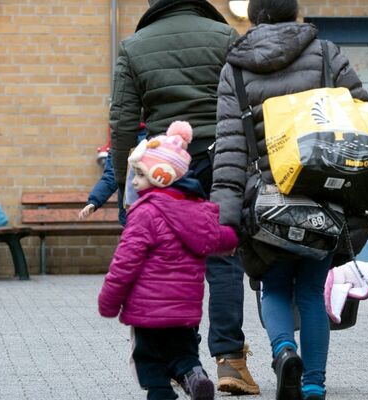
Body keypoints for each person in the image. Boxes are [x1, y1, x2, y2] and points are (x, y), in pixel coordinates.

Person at [210, 1, 368, 398]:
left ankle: (284, 352)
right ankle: (313, 384)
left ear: (253, 17)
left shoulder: (235, 68)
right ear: (295, 13)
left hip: (266, 203)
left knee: (275, 287)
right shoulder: (326, 54)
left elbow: (230, 146)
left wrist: (225, 216)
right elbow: (361, 118)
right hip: (322, 195)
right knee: (312, 291)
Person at [108, 1, 259, 394]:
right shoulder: (224, 35)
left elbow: (122, 122)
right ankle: (230, 360)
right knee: (224, 256)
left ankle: (184, 361)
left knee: (170, 260)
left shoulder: (133, 46)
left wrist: (125, 180)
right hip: (223, 158)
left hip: (167, 166)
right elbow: (249, 103)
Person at [98, 121, 238, 400]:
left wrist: (109, 301)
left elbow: (125, 262)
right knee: (184, 355)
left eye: (140, 175)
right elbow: (218, 238)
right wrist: (233, 238)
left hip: (147, 312)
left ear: (160, 176)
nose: (134, 182)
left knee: (151, 366)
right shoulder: (197, 210)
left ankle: (162, 393)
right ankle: (195, 375)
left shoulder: (144, 213)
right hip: (184, 312)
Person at [79, 127, 147, 226]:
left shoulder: (156, 137)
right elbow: (111, 176)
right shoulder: (121, 139)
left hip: (150, 211)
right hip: (130, 215)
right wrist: (94, 201)